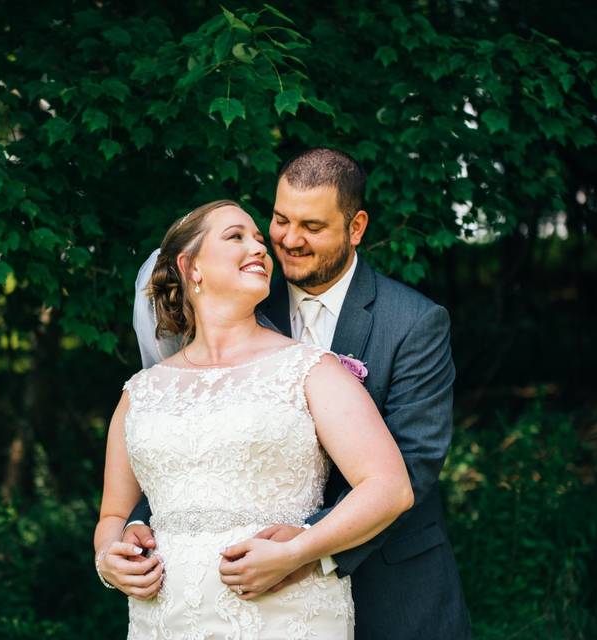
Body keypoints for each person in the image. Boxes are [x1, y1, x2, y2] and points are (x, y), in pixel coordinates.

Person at [107, 149, 472, 639]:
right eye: (278, 221)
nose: (287, 241)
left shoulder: (411, 323)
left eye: (312, 227)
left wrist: (301, 549)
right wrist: (132, 535)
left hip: (387, 578)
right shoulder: (246, 296)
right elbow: (189, 450)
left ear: (356, 227)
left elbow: (413, 464)